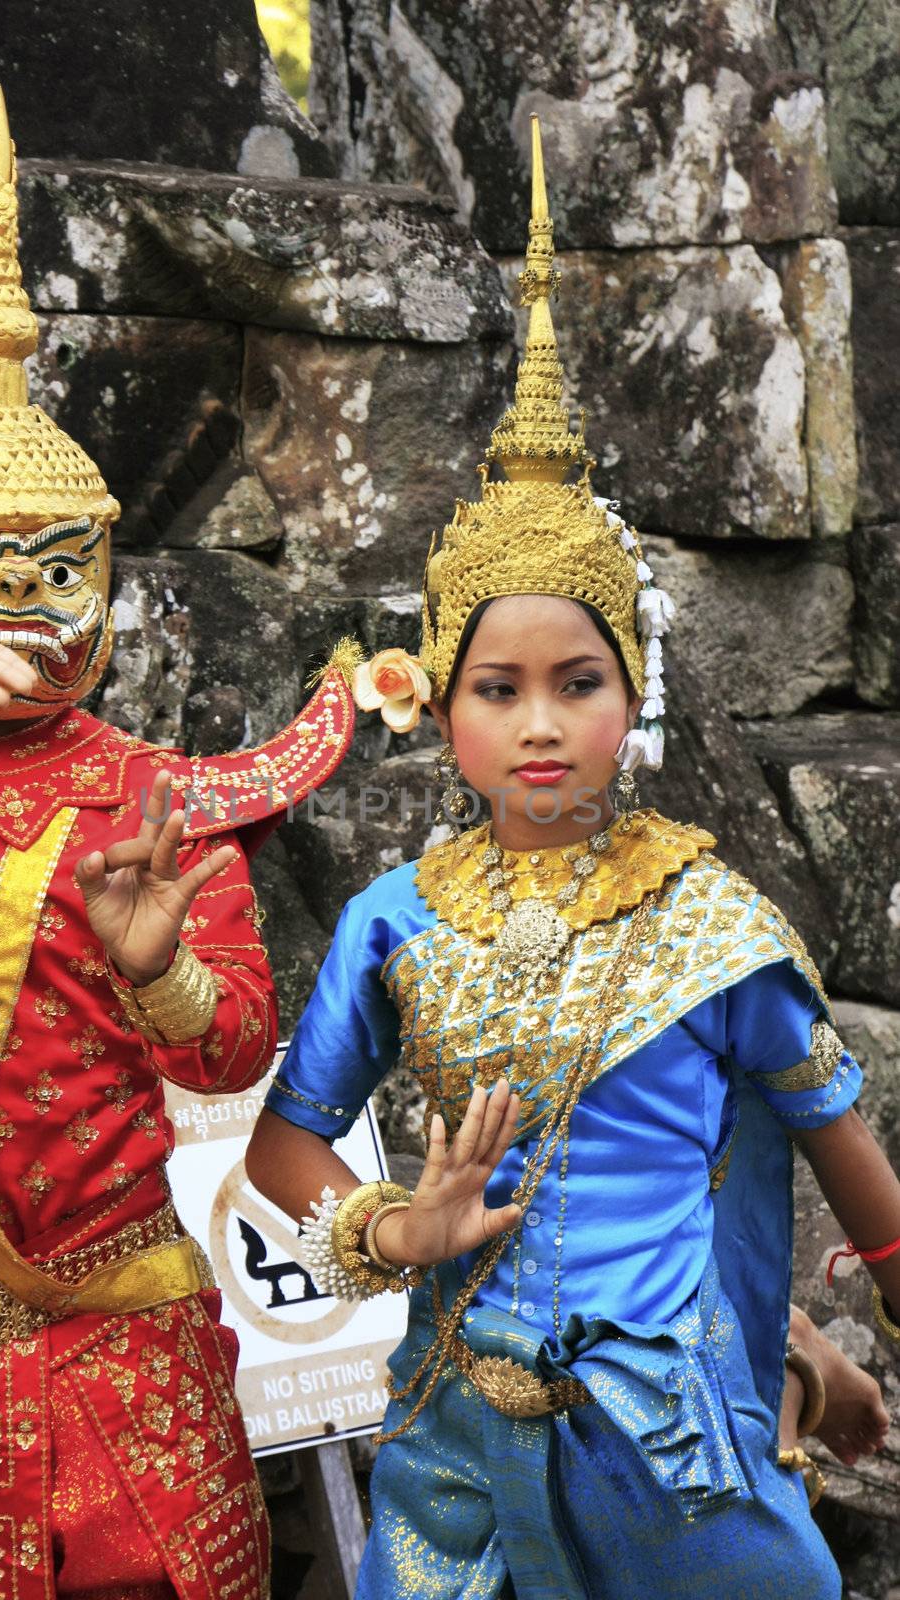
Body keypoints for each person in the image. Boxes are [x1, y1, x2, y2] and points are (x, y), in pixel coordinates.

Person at [245, 117, 900, 1599]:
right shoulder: (394, 922)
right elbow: (283, 1154)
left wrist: (800, 1350)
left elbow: (860, 1190)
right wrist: (394, 1224)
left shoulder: (713, 926)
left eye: (579, 685)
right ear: (440, 704)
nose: (541, 728)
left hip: (670, 1452)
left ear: (631, 700)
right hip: (450, 1442)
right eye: (498, 690)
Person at [0, 84, 356, 1600]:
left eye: (57, 569)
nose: (17, 609)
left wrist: (164, 982)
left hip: (112, 1360)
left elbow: (231, 1052)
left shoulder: (155, 801)